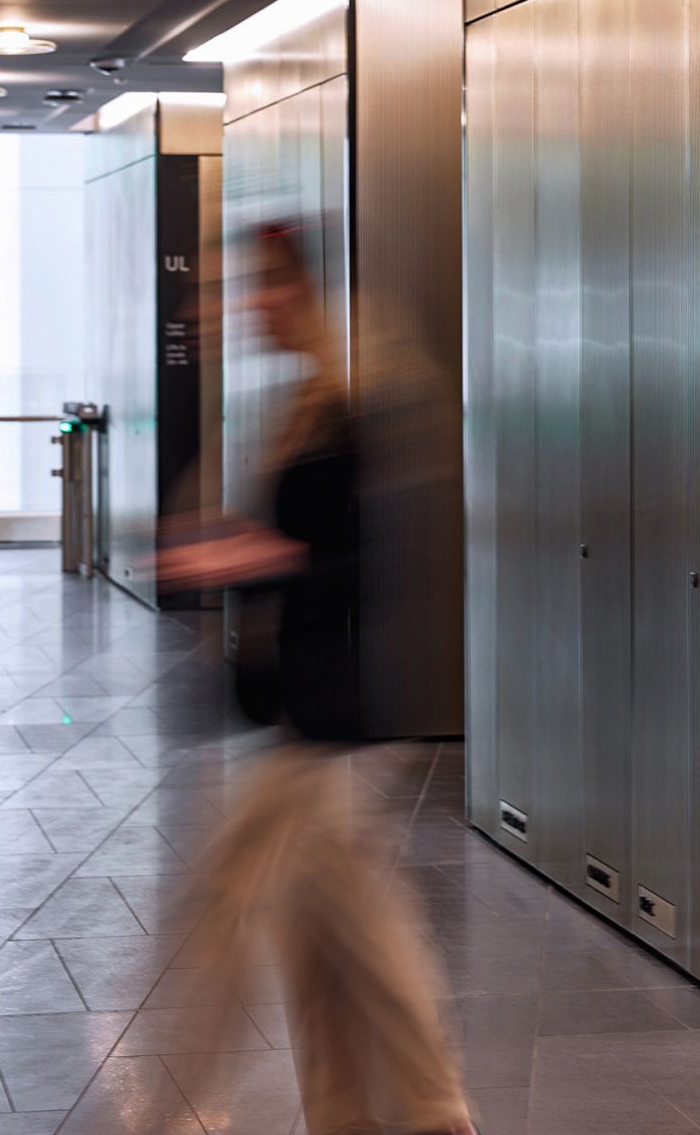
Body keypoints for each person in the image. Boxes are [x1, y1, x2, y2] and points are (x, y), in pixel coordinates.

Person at [158, 220, 476, 1135]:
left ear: (296, 289)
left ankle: (429, 1114)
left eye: (256, 286)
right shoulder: (308, 397)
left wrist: (258, 553)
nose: (240, 306)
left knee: (252, 917)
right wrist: (241, 550)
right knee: (327, 946)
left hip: (336, 724)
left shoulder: (362, 396)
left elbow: (358, 562)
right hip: (301, 718)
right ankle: (364, 1116)